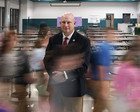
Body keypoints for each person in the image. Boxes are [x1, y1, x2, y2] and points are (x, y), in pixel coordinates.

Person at [43, 13, 90, 112]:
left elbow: (84, 65)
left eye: (69, 22)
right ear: (60, 23)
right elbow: (47, 60)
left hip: (74, 89)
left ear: (74, 23)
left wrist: (64, 75)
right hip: (55, 88)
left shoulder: (84, 41)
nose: (66, 25)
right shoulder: (53, 39)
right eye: (63, 22)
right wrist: (54, 74)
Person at [87, 29, 115, 112]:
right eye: (114, 34)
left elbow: (90, 63)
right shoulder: (105, 48)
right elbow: (101, 67)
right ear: (109, 34)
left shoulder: (98, 46)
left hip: (94, 80)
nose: (115, 37)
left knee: (99, 105)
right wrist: (104, 88)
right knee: (105, 104)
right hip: (101, 81)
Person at [113, 36, 140, 112]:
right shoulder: (132, 67)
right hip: (132, 101)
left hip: (125, 100)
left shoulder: (124, 63)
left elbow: (118, 85)